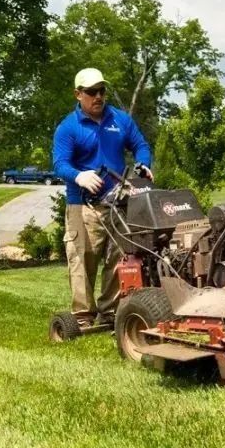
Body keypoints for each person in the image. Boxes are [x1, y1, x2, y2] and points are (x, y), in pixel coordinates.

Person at [52, 68, 152, 326]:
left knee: (117, 259)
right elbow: (60, 164)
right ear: (78, 94)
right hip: (83, 206)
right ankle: (83, 316)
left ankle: (109, 312)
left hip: (118, 204)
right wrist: (78, 176)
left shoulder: (120, 120)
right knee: (82, 260)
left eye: (102, 91)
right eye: (91, 92)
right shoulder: (68, 128)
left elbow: (140, 144)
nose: (98, 96)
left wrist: (142, 163)